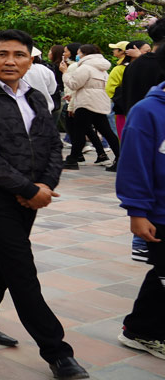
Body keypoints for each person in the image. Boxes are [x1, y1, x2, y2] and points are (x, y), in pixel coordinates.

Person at [0, 29, 88, 380]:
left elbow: (53, 145)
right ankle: (57, 351)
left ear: (31, 60)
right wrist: (27, 188)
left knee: (1, 254)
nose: (10, 61)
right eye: (1, 54)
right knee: (20, 267)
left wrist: (45, 184)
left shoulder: (35, 96)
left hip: (30, 192)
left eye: (18, 54)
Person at [114, 77, 165, 358]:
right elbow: (133, 165)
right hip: (160, 212)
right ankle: (141, 332)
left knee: (161, 272)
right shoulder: (148, 111)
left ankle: (141, 328)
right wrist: (137, 211)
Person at [62, 44, 118, 170]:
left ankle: (73, 160)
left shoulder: (85, 67)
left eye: (79, 53)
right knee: (107, 132)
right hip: (99, 102)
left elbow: (73, 84)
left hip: (86, 102)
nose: (77, 55)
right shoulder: (102, 68)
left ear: (84, 54)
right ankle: (120, 157)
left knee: (79, 132)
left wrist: (65, 73)